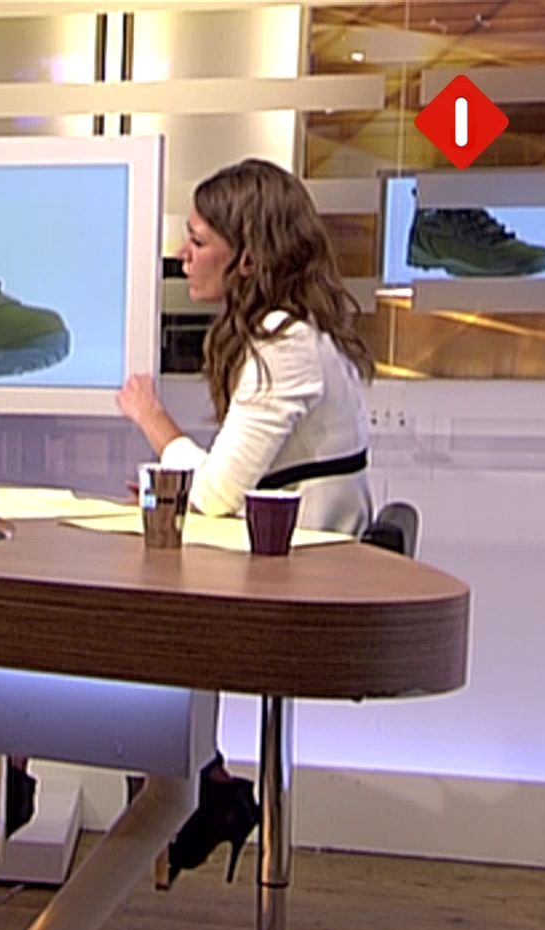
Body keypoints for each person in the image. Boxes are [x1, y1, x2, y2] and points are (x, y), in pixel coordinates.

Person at [115, 158, 376, 883]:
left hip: (308, 578)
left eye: (199, 241)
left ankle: (194, 789)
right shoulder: (291, 332)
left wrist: (151, 419)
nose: (182, 254)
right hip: (297, 557)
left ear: (249, 258)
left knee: (132, 614)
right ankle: (200, 785)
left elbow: (216, 494)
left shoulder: (283, 342)